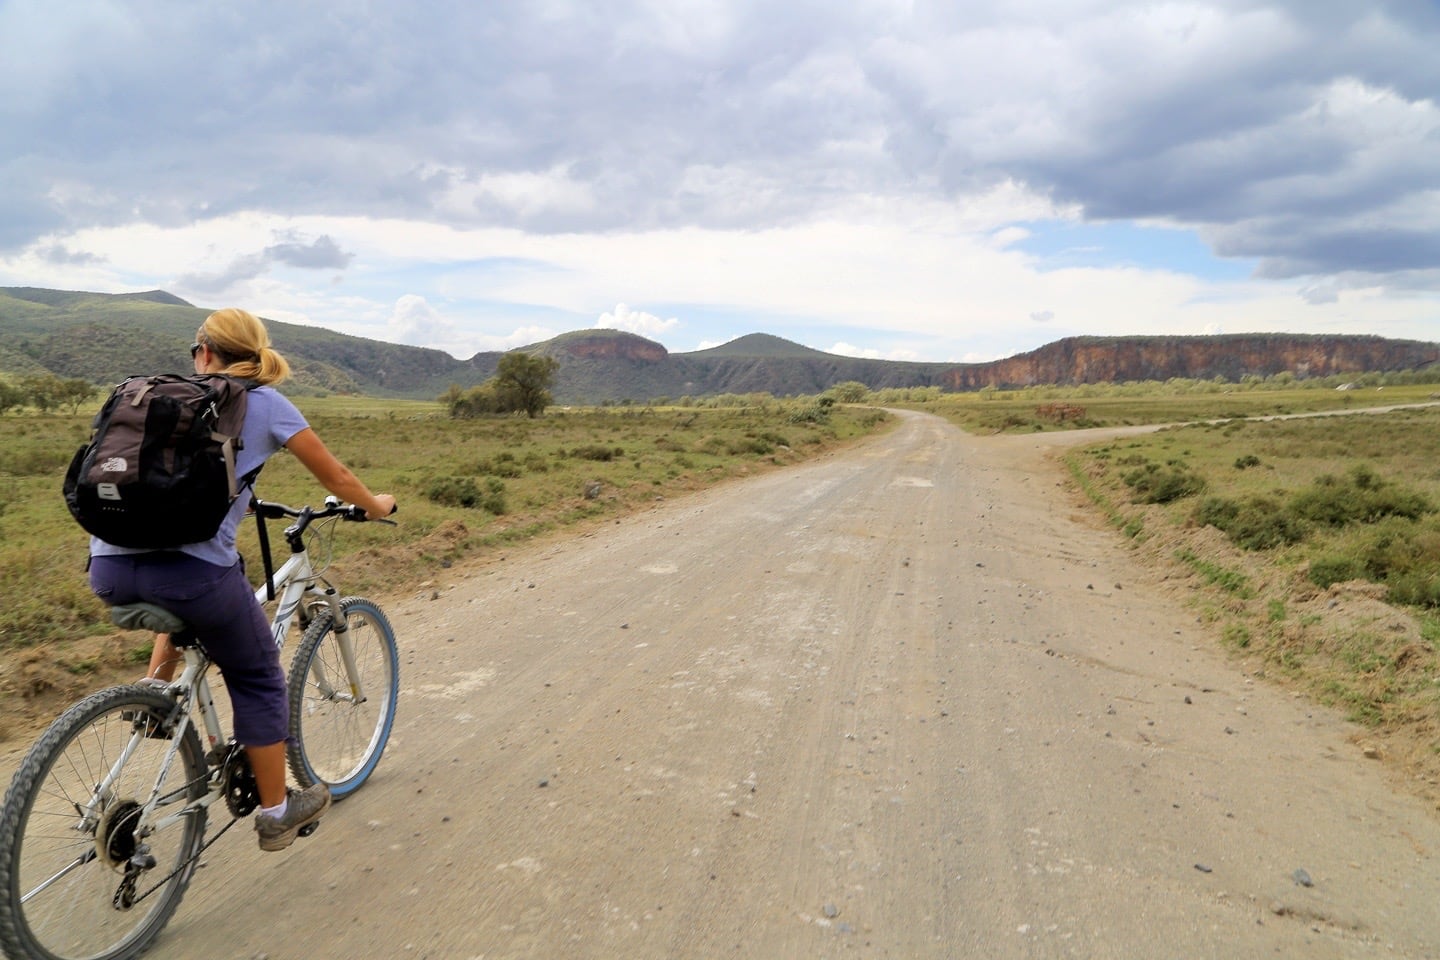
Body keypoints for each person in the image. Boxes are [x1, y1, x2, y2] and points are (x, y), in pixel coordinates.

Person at [88, 307, 397, 851]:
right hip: (192, 576)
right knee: (257, 675)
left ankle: (155, 700)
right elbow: (335, 476)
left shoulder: (157, 398)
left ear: (203, 353)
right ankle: (277, 813)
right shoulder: (265, 402)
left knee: (189, 600)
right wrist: (374, 505)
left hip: (109, 568)